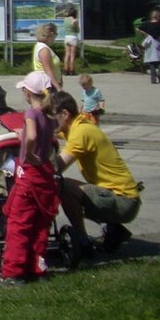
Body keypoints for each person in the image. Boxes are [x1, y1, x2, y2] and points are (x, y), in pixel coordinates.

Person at [54, 91, 141, 254]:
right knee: (69, 188)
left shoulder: (81, 133)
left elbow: (56, 167)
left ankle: (83, 240)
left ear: (64, 114)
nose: (48, 121)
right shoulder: (75, 126)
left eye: (51, 116)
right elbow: (45, 131)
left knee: (62, 186)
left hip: (123, 200)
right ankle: (113, 229)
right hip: (122, 196)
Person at [0, 71, 58, 286]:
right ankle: (37, 267)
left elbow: (31, 136)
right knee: (40, 225)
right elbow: (47, 136)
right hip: (45, 174)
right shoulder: (50, 115)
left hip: (30, 174)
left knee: (19, 224)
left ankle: (13, 272)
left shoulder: (31, 113)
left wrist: (27, 149)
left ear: (27, 92)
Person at [136, 9, 160, 85]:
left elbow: (137, 29)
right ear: (157, 16)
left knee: (152, 61)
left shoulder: (145, 24)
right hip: (158, 43)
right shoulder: (159, 24)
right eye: (159, 16)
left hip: (149, 44)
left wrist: (146, 34)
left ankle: (153, 79)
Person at [31, 23, 62, 90]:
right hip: (48, 84)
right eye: (56, 34)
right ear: (51, 33)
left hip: (49, 83)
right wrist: (58, 87)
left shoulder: (41, 46)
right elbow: (47, 70)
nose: (56, 37)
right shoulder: (44, 49)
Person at [63, 8, 80, 76]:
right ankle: (72, 70)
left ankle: (65, 70)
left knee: (67, 54)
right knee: (72, 55)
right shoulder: (75, 21)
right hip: (73, 37)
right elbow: (77, 30)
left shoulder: (65, 20)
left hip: (67, 37)